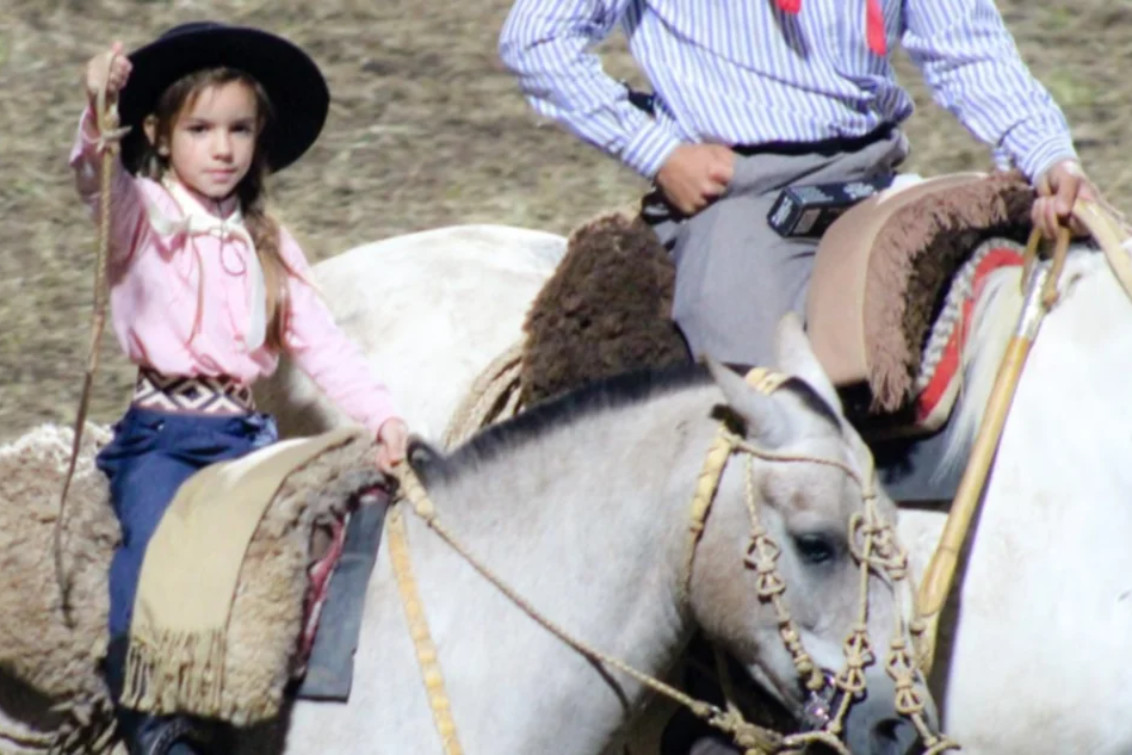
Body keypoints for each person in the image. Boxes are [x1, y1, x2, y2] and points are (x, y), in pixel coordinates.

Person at [72, 22, 408, 754]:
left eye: (238, 129)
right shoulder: (142, 217)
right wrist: (98, 109)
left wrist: (380, 414)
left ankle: (309, 696)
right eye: (199, 128)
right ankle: (150, 714)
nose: (221, 147)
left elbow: (319, 340)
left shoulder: (267, 242)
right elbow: (96, 175)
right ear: (160, 135)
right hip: (163, 433)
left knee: (324, 532)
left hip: (246, 435)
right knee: (149, 555)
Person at [498, 0, 1104, 368]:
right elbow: (537, 39)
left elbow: (967, 49)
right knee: (762, 410)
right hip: (739, 189)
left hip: (874, 173)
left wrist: (1048, 154)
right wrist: (657, 151)